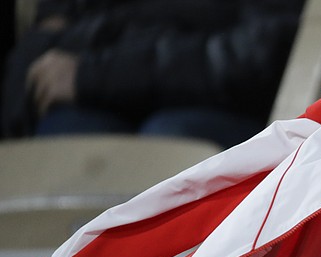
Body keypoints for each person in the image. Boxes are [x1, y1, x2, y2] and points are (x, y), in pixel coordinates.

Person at [1, 0, 304, 147]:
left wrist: (97, 72)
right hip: (96, 86)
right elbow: (41, 49)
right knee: (67, 138)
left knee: (169, 141)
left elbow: (256, 55)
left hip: (222, 100)